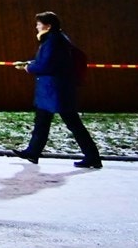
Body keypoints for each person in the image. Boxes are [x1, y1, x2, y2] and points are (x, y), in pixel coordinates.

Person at [11, 11, 102, 169]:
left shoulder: (53, 41)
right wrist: (29, 62)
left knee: (72, 124)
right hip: (54, 91)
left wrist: (28, 67)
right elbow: (48, 61)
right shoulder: (56, 39)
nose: (36, 27)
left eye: (39, 24)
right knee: (42, 122)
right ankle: (33, 152)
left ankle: (93, 156)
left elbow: (47, 65)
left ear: (48, 25)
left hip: (55, 91)